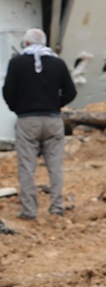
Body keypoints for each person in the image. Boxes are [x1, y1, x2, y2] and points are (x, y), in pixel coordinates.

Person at [2, 28, 77, 220]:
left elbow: (8, 91)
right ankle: (57, 207)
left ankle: (28, 210)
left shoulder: (17, 62)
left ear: (26, 43)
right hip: (53, 121)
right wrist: (55, 105)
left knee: (27, 167)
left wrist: (18, 108)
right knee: (55, 166)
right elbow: (71, 92)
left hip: (27, 121)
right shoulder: (58, 63)